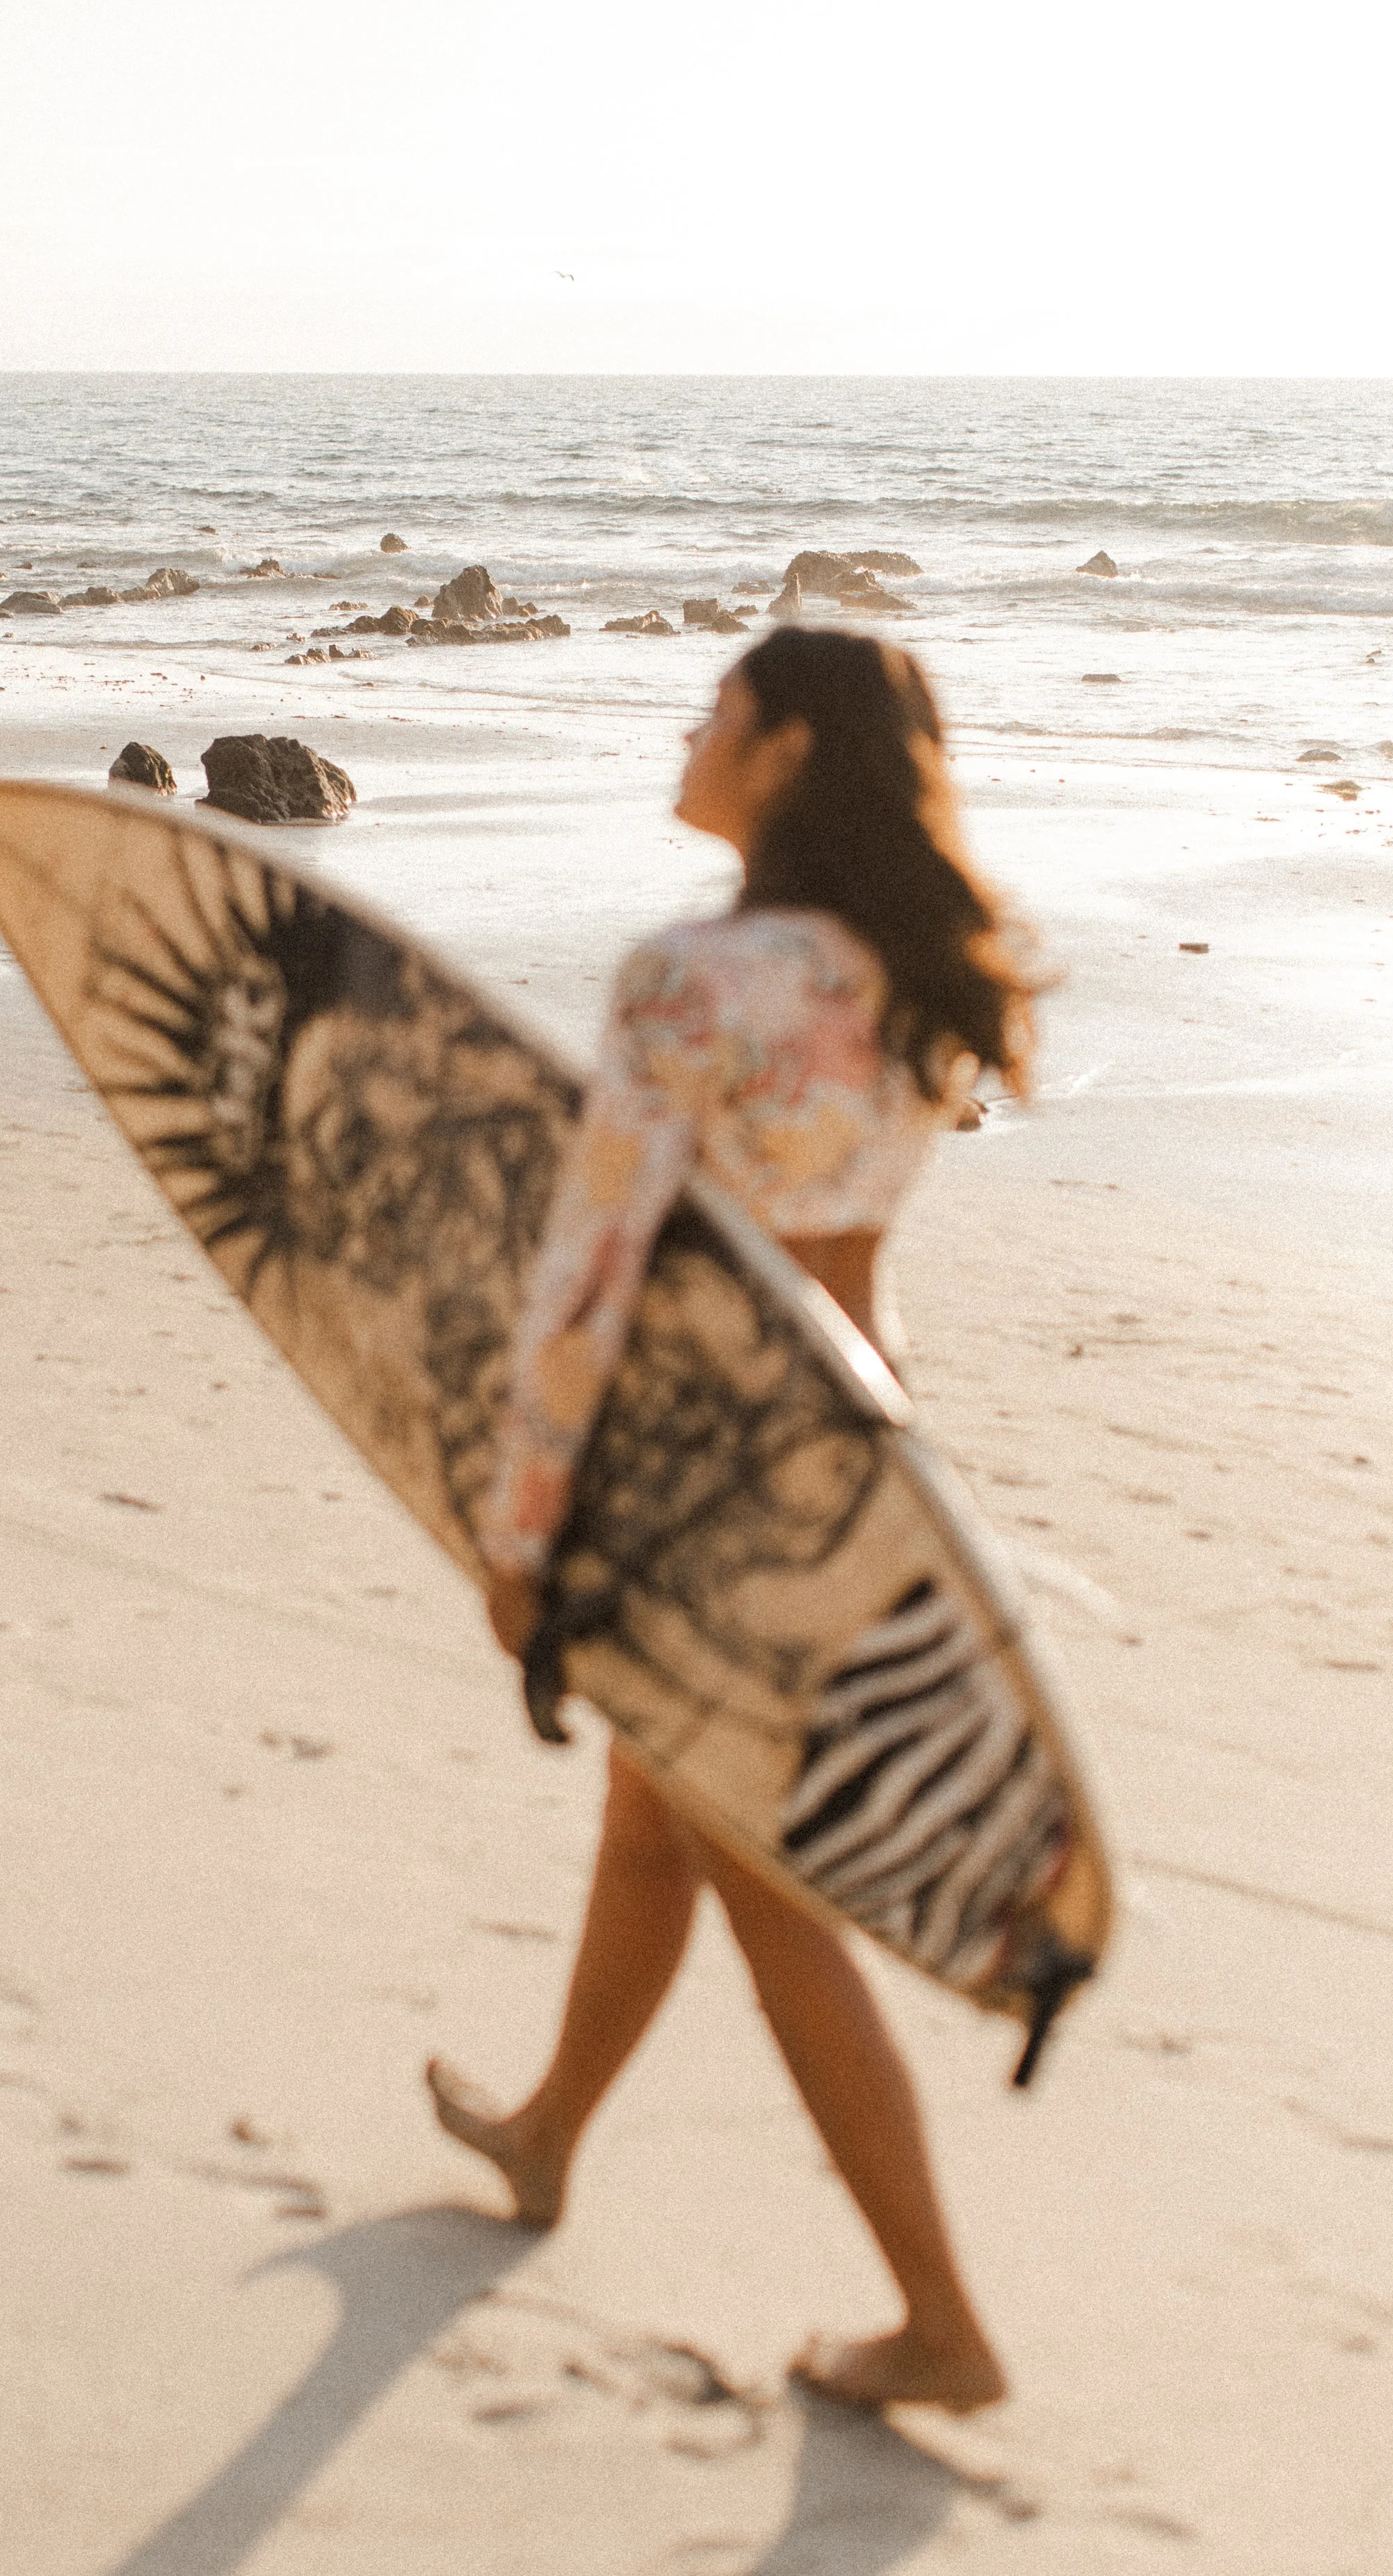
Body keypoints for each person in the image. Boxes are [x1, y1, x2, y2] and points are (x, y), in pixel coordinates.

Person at [426, 626, 1048, 2413]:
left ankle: (940, 2320)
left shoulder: (692, 981)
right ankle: (549, 2132)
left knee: (770, 1893)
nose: (689, 732)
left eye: (715, 708)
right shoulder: (922, 972)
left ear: (778, 750)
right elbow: (851, 1252)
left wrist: (522, 1525)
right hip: (864, 1450)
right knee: (660, 1811)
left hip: (701, 1475)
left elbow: (589, 1273)